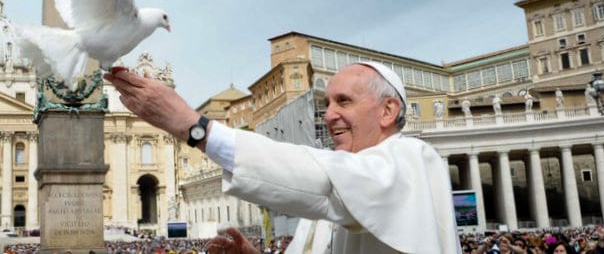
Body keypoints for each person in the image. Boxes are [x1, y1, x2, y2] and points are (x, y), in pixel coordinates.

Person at [106, 61, 460, 253]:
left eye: (344, 101)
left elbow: (320, 178)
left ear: (388, 111)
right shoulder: (337, 196)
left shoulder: (413, 159)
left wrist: (193, 127)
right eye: (326, 104)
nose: (329, 115)